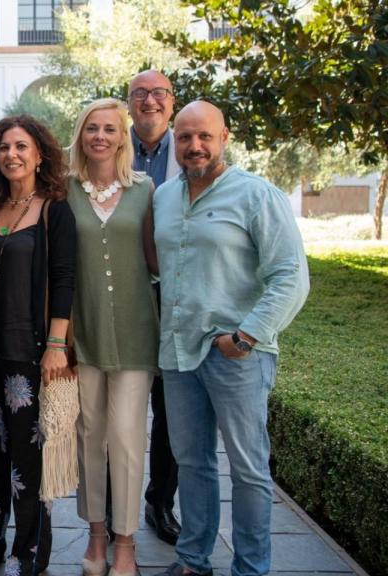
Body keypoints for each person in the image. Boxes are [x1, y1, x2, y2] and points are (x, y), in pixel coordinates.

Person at [153, 101, 308, 576]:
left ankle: (251, 568)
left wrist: (246, 336)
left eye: (204, 136)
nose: (194, 146)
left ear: (224, 137)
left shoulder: (257, 195)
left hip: (236, 355)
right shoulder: (163, 197)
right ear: (174, 141)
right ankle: (193, 560)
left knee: (248, 469)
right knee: (192, 464)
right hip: (178, 353)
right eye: (184, 137)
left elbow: (291, 276)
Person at [0, 115, 75, 576]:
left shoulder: (55, 208)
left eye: (21, 147)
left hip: (30, 355)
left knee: (29, 462)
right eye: (4, 148)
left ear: (39, 154)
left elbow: (64, 279)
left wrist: (56, 345)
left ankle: (27, 553)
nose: (11, 155)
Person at [67, 98, 159, 576]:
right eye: (91, 129)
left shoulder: (146, 190)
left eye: (109, 129)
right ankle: (96, 534)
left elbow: (157, 261)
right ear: (80, 136)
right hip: (82, 333)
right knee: (89, 435)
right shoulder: (64, 191)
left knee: (126, 436)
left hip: (136, 332)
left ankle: (126, 541)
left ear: (123, 137)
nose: (100, 136)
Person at [128, 69, 181, 545]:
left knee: (171, 408)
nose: (149, 101)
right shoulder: (107, 143)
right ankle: (110, 506)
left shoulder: (187, 148)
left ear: (171, 101)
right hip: (119, 292)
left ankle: (159, 501)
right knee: (117, 409)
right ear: (129, 103)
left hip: (175, 295)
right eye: (140, 93)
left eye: (158, 93)